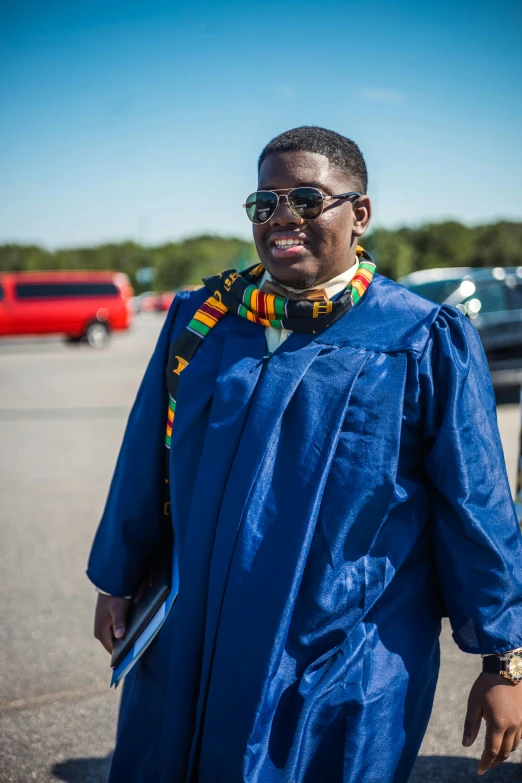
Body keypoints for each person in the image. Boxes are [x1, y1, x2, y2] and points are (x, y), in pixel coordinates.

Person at [88, 126, 522, 782]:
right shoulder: (202, 321)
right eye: (265, 203)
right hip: (191, 639)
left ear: (361, 214)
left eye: (307, 198)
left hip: (337, 659)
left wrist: (504, 658)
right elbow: (145, 463)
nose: (282, 217)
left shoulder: (422, 340)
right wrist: (119, 577)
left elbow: (477, 505)